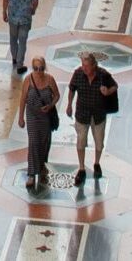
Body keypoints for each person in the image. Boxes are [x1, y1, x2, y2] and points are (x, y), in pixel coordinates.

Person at [65, 51, 117, 192]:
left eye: (87, 66)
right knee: (81, 140)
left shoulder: (103, 74)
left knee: (99, 142)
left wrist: (107, 91)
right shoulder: (78, 74)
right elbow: (71, 89)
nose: (84, 68)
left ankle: (97, 163)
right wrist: (69, 104)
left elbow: (114, 86)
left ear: (94, 65)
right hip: (82, 114)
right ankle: (81, 168)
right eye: (83, 65)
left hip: (98, 115)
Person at [17, 55, 61, 190]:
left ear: (44, 68)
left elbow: (57, 95)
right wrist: (21, 117)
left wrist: (51, 105)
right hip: (32, 116)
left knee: (44, 142)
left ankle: (41, 166)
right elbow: (23, 99)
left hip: (46, 116)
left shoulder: (50, 79)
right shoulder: (28, 80)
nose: (38, 71)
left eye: (41, 68)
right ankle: (31, 173)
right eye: (35, 68)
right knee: (34, 142)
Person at [1, 0, 41, 76]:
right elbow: (35, 0)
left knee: (13, 38)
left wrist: (4, 11)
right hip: (25, 17)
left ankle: (14, 58)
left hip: (12, 16)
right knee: (22, 41)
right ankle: (19, 65)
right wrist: (33, 10)